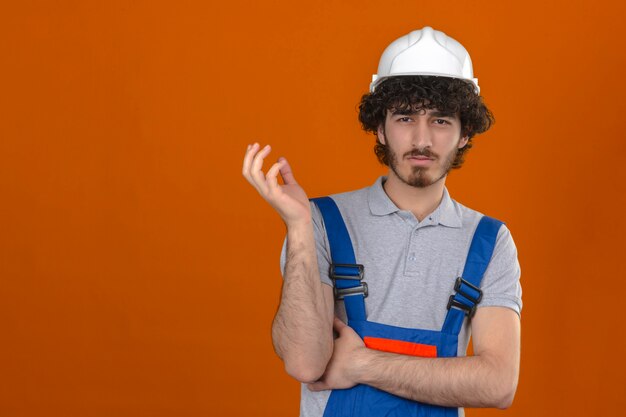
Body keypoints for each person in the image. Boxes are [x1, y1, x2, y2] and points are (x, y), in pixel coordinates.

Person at [242, 26, 521, 417]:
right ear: (380, 128)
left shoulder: (490, 240)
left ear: (464, 133)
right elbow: (305, 363)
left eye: (440, 120)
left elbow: (498, 384)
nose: (421, 139)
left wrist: (361, 363)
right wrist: (299, 227)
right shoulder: (320, 221)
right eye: (405, 118)